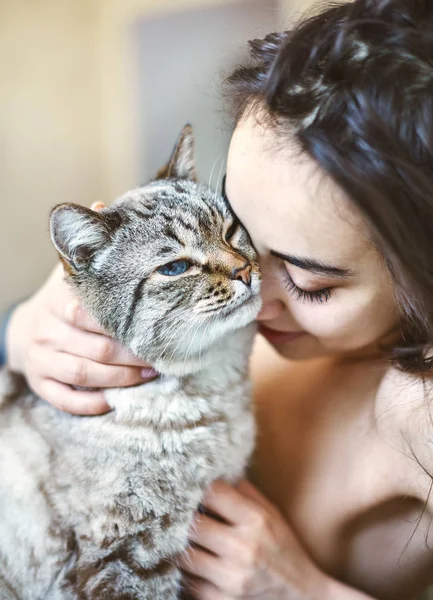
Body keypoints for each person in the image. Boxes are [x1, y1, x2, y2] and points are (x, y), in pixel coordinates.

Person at [3, 0, 433, 597]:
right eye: (242, 228)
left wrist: (306, 592)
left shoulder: (419, 411)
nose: (250, 290)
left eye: (311, 283)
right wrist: (23, 333)